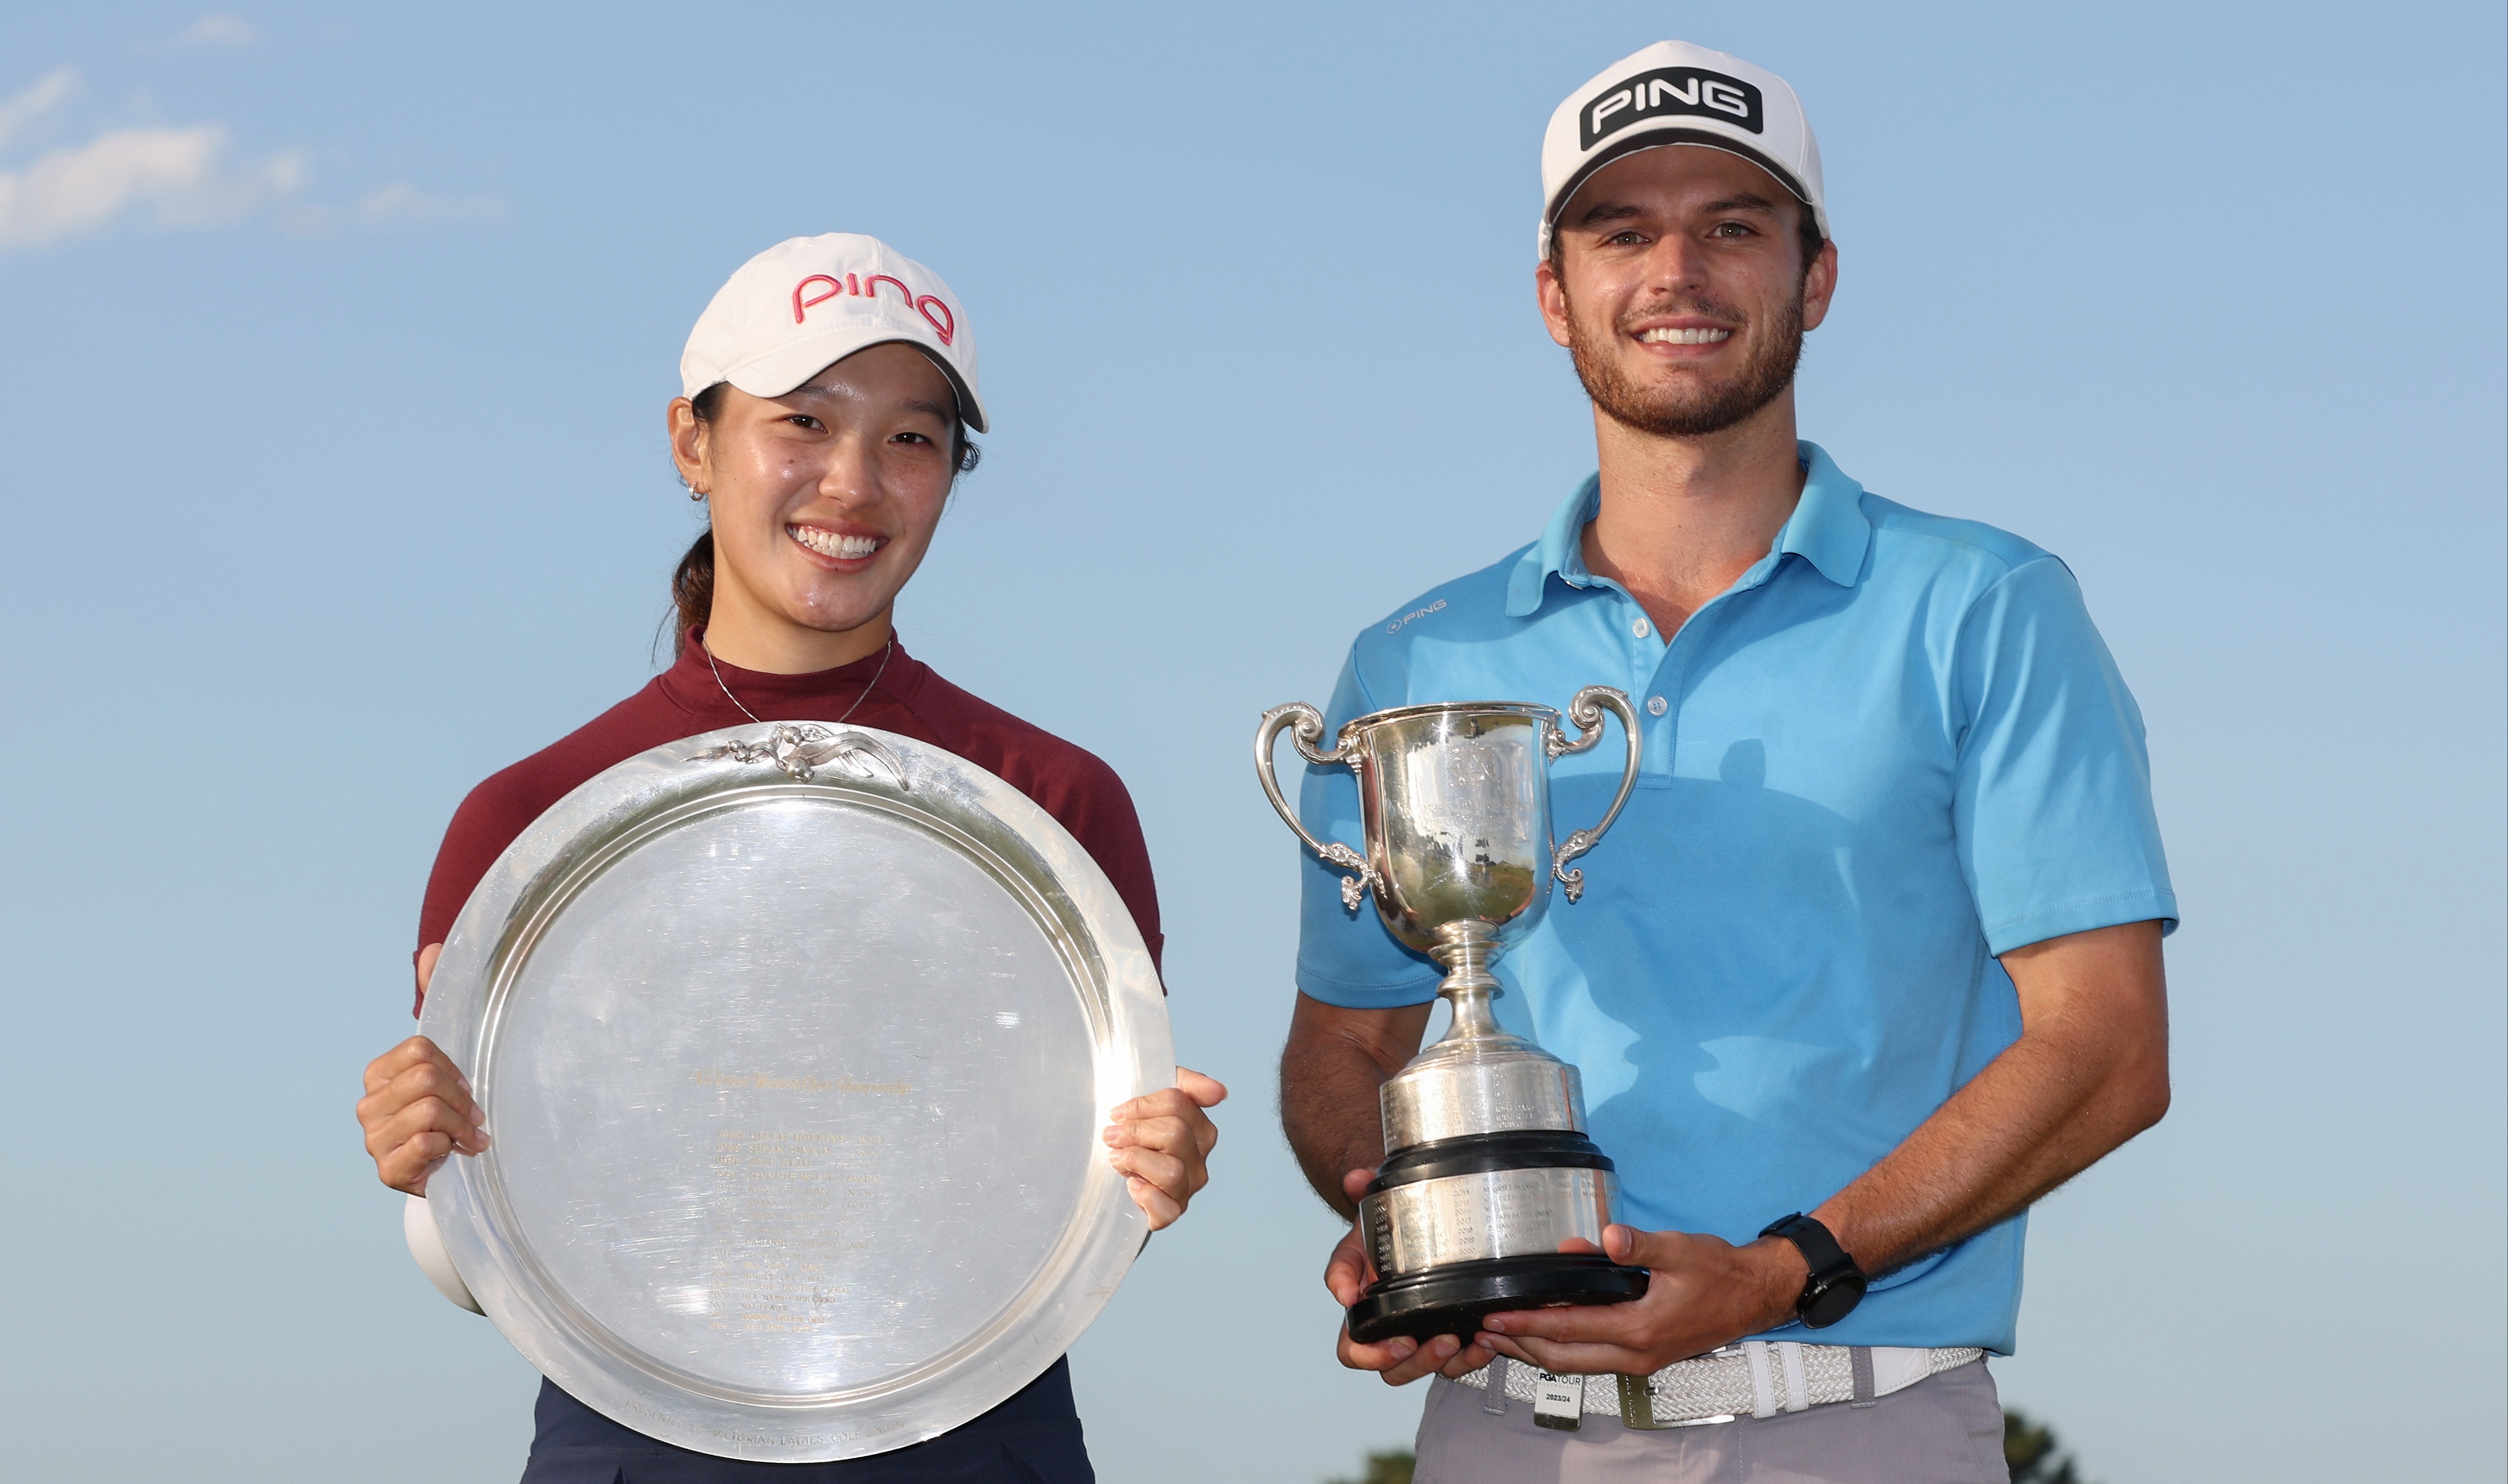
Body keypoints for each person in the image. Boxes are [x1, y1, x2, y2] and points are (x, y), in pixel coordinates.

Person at [1277, 41, 2173, 1484]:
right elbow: (1345, 1040)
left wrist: (1785, 1265)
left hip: (1857, 1415)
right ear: (1552, 296)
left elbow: (2108, 1047)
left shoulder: (1983, 606)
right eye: (1620, 231)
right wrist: (1401, 1228)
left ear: (1814, 279)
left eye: (1732, 227)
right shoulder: (1413, 663)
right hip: (1509, 1427)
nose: (1675, 271)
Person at [353, 232, 1225, 1483]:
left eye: (911, 438)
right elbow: (488, 1258)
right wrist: (425, 1157)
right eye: (803, 420)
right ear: (691, 442)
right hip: (636, 1447)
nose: (854, 482)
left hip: (977, 1443)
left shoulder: (1051, 804)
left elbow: (1062, 1211)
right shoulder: (533, 819)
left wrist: (1143, 1176)